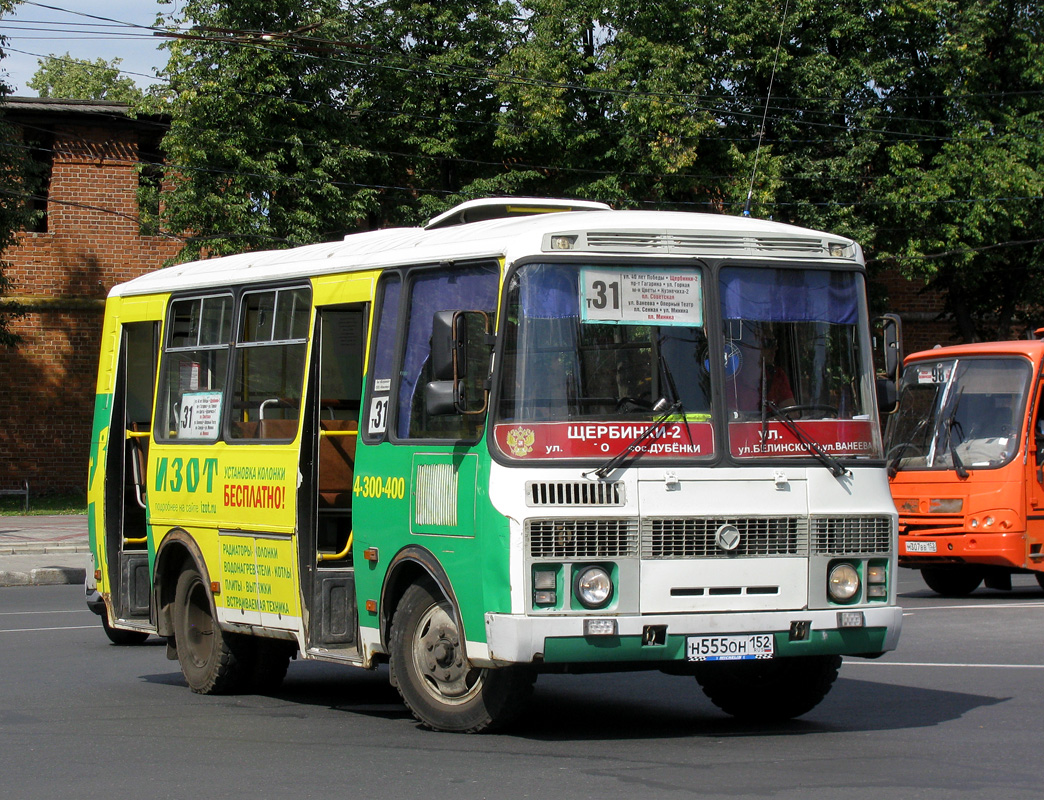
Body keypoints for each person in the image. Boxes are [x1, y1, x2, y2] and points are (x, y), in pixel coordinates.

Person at [729, 330, 795, 415]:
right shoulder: (732, 380)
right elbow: (730, 419)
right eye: (768, 343)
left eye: (775, 343)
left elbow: (792, 414)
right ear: (748, 347)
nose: (775, 348)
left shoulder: (777, 375)